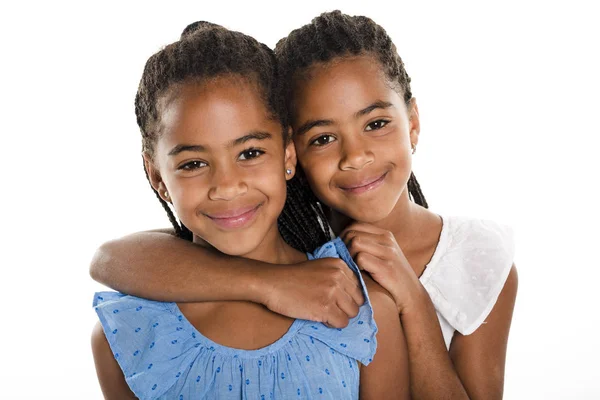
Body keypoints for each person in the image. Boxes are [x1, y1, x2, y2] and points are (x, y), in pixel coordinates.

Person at [91, 11, 518, 399]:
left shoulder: (461, 263)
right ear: (293, 150)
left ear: (414, 122)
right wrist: (271, 284)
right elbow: (112, 260)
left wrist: (413, 300)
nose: (355, 157)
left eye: (376, 123)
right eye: (323, 138)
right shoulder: (290, 239)